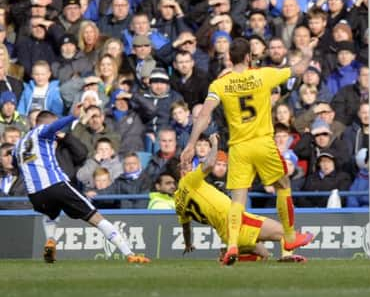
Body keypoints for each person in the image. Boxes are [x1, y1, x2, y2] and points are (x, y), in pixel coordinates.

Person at [180, 38, 314, 265]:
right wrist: (308, 53)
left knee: (238, 200)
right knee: (283, 186)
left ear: (230, 58)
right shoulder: (264, 75)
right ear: (248, 57)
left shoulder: (220, 84)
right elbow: (299, 69)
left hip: (238, 147)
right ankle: (290, 238)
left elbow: (204, 114)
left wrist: (191, 143)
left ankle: (232, 244)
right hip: (263, 143)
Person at [13, 107, 149, 263]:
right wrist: (73, 116)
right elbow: (52, 127)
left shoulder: (18, 144)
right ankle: (130, 254)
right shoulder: (43, 130)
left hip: (35, 194)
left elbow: (15, 165)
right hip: (56, 185)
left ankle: (50, 240)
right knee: (96, 217)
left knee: (51, 213)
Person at [178, 135, 306, 263]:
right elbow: (210, 164)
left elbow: (186, 227)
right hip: (237, 221)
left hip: (225, 234)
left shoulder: (178, 200)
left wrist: (188, 244)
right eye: (188, 165)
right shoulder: (190, 180)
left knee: (264, 254)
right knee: (287, 233)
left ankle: (228, 254)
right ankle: (286, 256)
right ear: (183, 172)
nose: (191, 167)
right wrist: (214, 144)